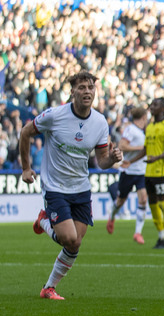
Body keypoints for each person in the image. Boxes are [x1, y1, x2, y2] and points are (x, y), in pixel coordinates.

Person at [19, 71, 123, 300]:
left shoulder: (99, 122)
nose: (87, 91)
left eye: (90, 88)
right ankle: (43, 220)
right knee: (67, 237)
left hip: (81, 188)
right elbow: (25, 132)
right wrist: (26, 168)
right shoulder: (55, 115)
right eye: (82, 87)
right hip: (55, 186)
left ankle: (49, 288)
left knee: (75, 243)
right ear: (72, 91)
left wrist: (112, 160)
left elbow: (102, 160)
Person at [125, 98, 164, 249]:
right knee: (153, 205)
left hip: (162, 171)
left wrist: (157, 158)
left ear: (163, 108)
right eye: (151, 104)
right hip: (149, 172)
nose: (151, 107)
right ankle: (161, 237)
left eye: (155, 105)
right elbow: (145, 150)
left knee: (162, 203)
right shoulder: (150, 126)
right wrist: (131, 161)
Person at [107, 107, 149, 244]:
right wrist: (139, 149)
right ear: (143, 117)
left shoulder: (141, 131)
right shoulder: (131, 130)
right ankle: (112, 216)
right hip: (129, 171)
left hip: (141, 171)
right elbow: (122, 145)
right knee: (120, 201)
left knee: (143, 199)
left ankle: (138, 233)